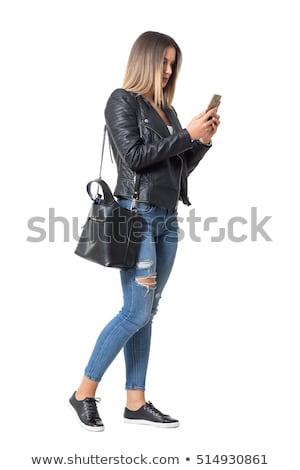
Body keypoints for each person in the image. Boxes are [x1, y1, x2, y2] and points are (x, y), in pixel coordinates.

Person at [69, 31, 220, 431]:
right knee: (134, 310)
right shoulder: (123, 101)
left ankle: (135, 401)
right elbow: (135, 159)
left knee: (147, 312)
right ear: (145, 61)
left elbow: (176, 170)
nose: (169, 70)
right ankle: (83, 392)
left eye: (174, 63)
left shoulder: (168, 112)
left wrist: (200, 142)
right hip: (136, 218)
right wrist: (185, 135)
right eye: (164, 62)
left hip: (168, 219)